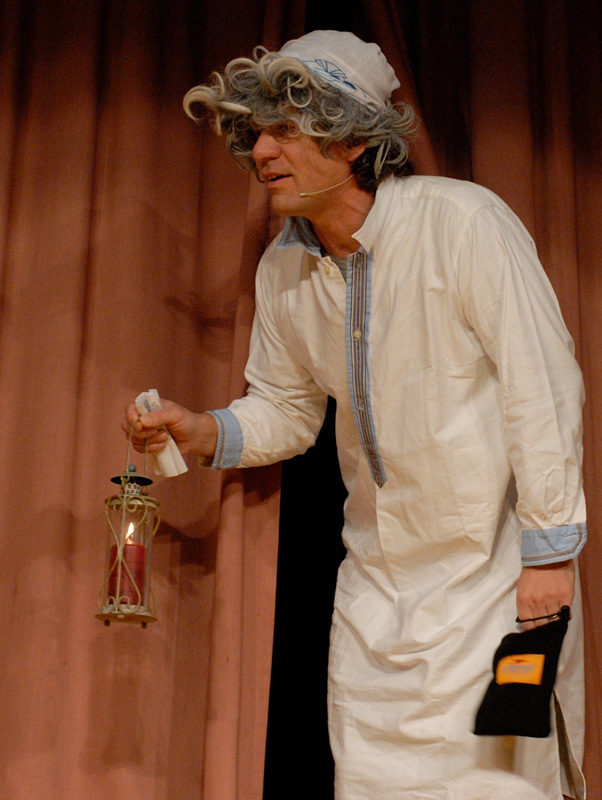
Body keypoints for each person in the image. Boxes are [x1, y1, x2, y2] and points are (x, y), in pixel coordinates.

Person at [123, 30, 587, 799]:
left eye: (284, 129)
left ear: (350, 139)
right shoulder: (284, 268)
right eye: (255, 132)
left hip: (493, 581)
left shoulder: (462, 223)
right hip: (377, 600)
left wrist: (547, 557)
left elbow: (543, 385)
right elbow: (285, 410)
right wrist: (200, 431)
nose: (262, 151)